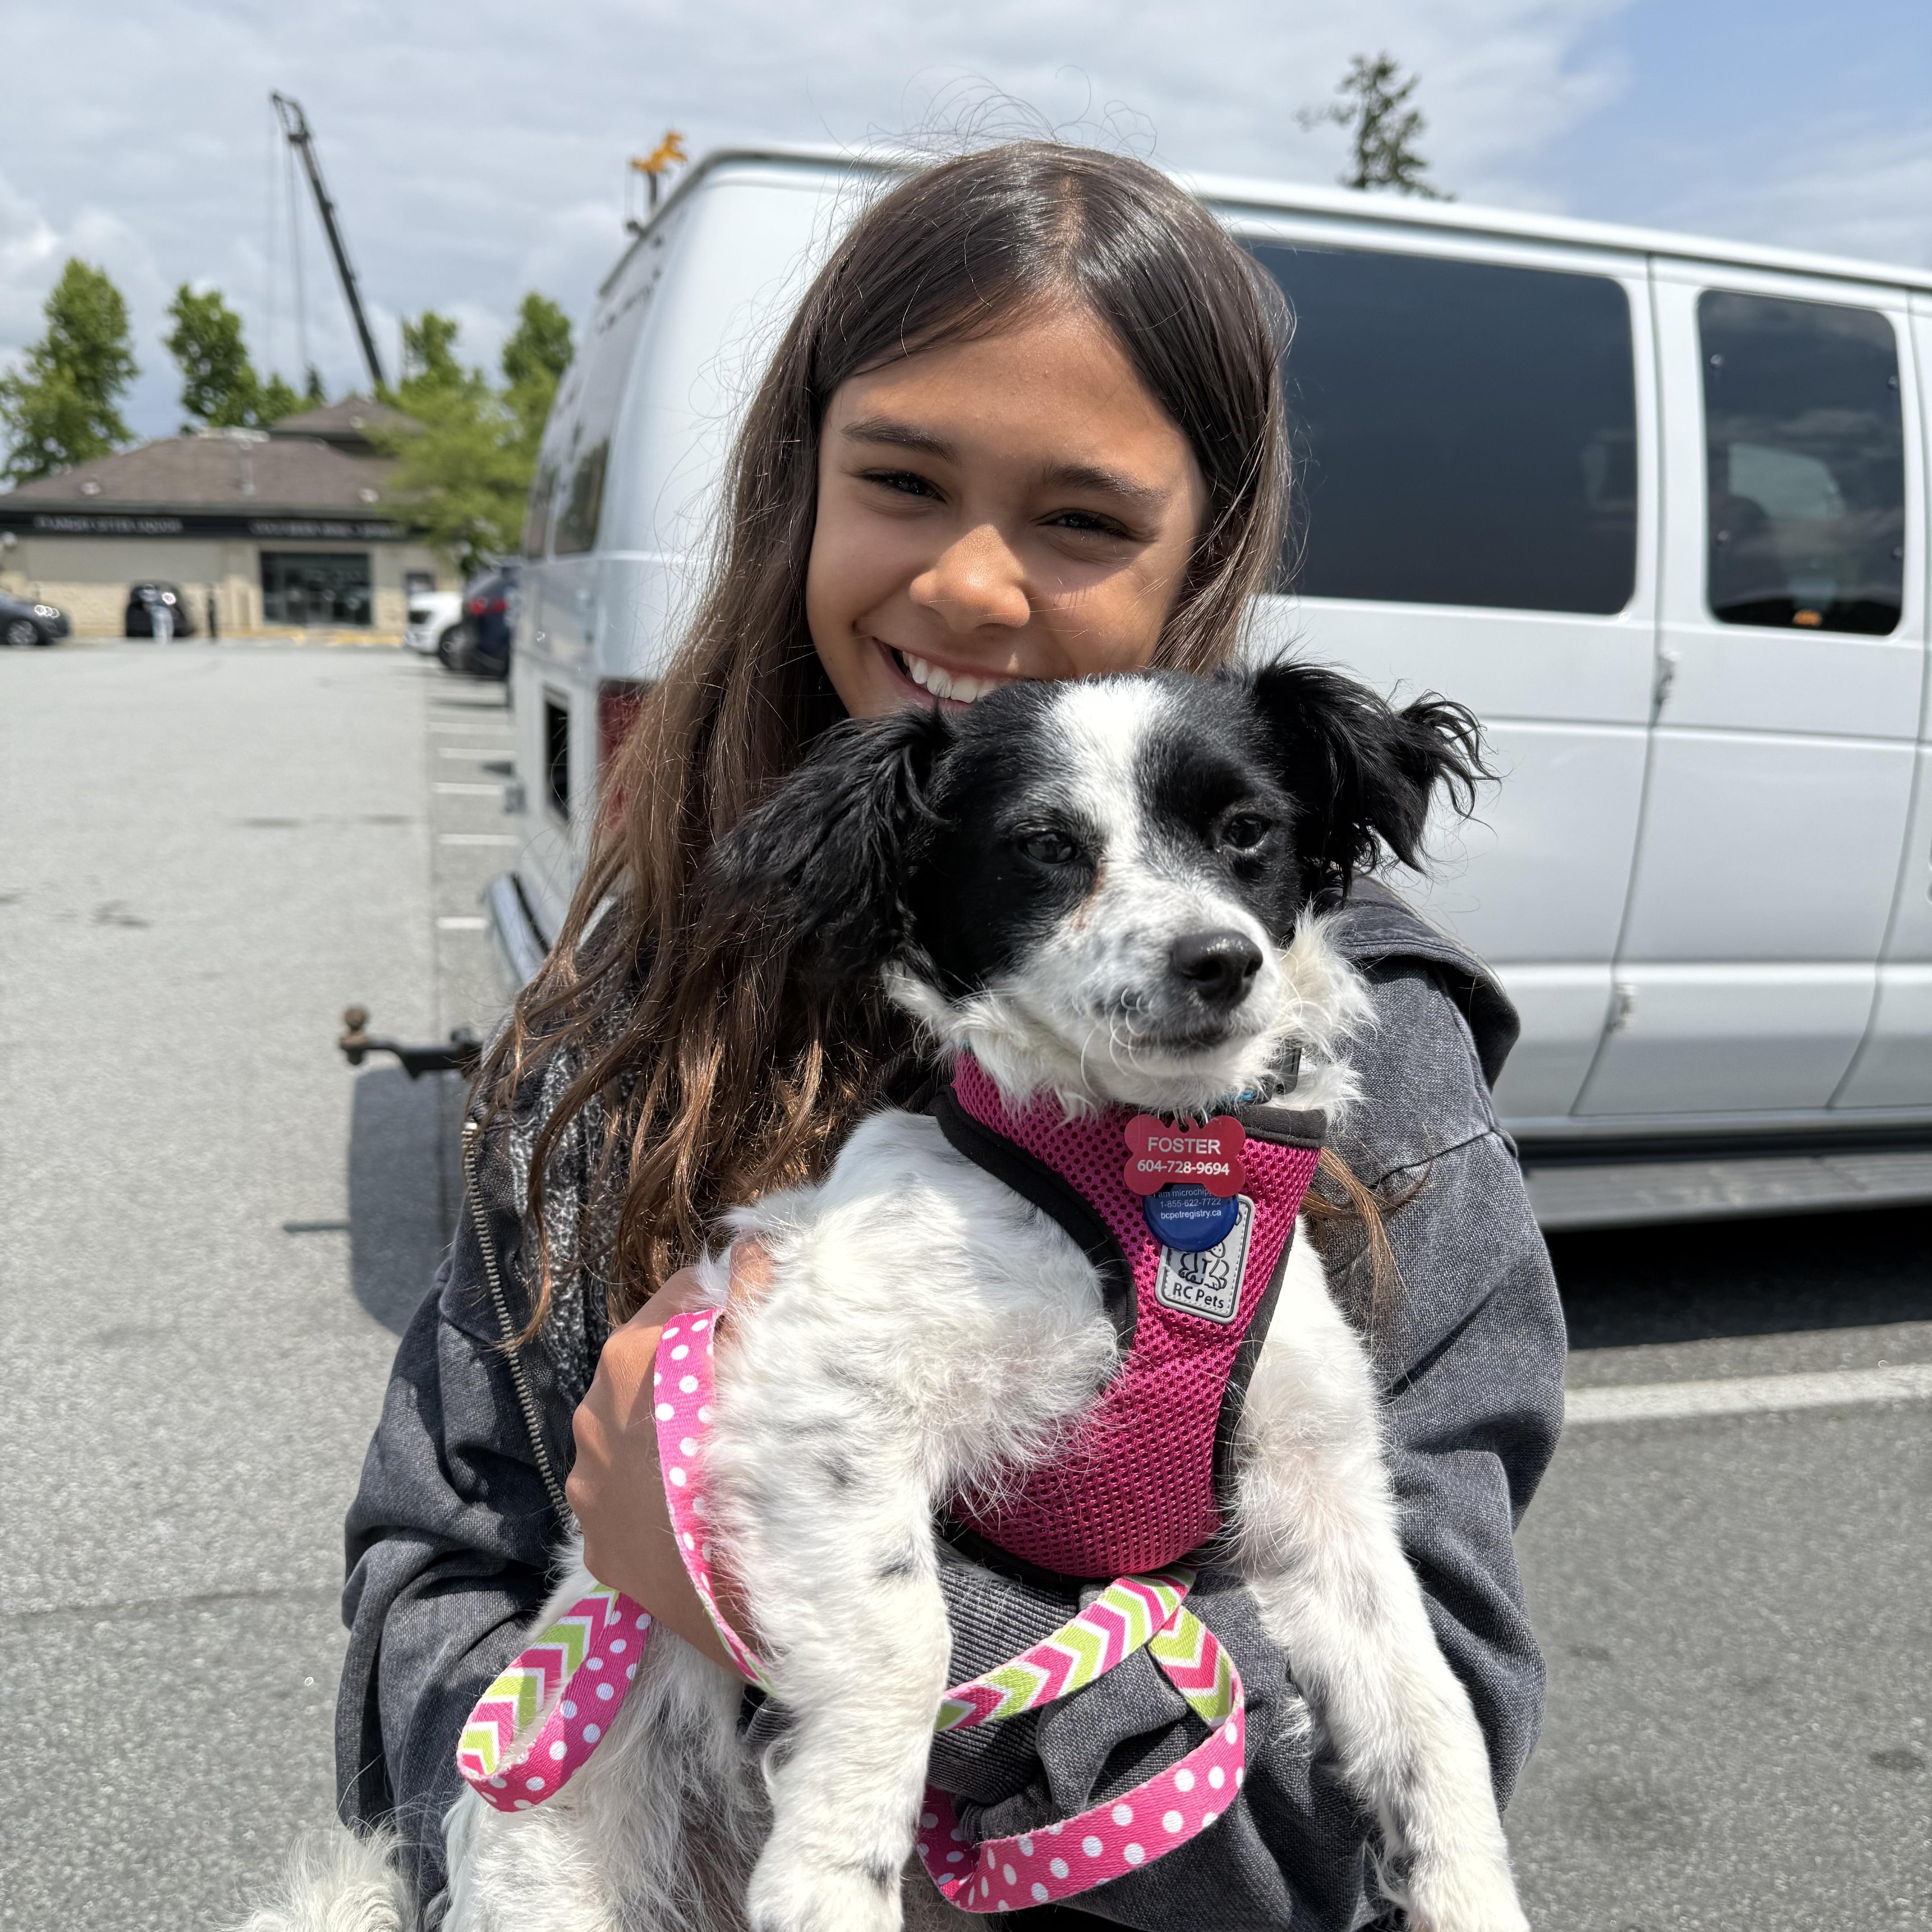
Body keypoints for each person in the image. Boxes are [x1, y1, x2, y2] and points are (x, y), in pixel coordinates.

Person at [337, 141, 1565, 1930]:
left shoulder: (1365, 1082)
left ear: (1204, 544)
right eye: (904, 480)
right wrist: (526, 1822)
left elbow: (1360, 1786)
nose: (978, 588)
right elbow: (437, 1564)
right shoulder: (610, 1028)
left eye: (1081, 519)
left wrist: (820, 1618)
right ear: (798, 484)